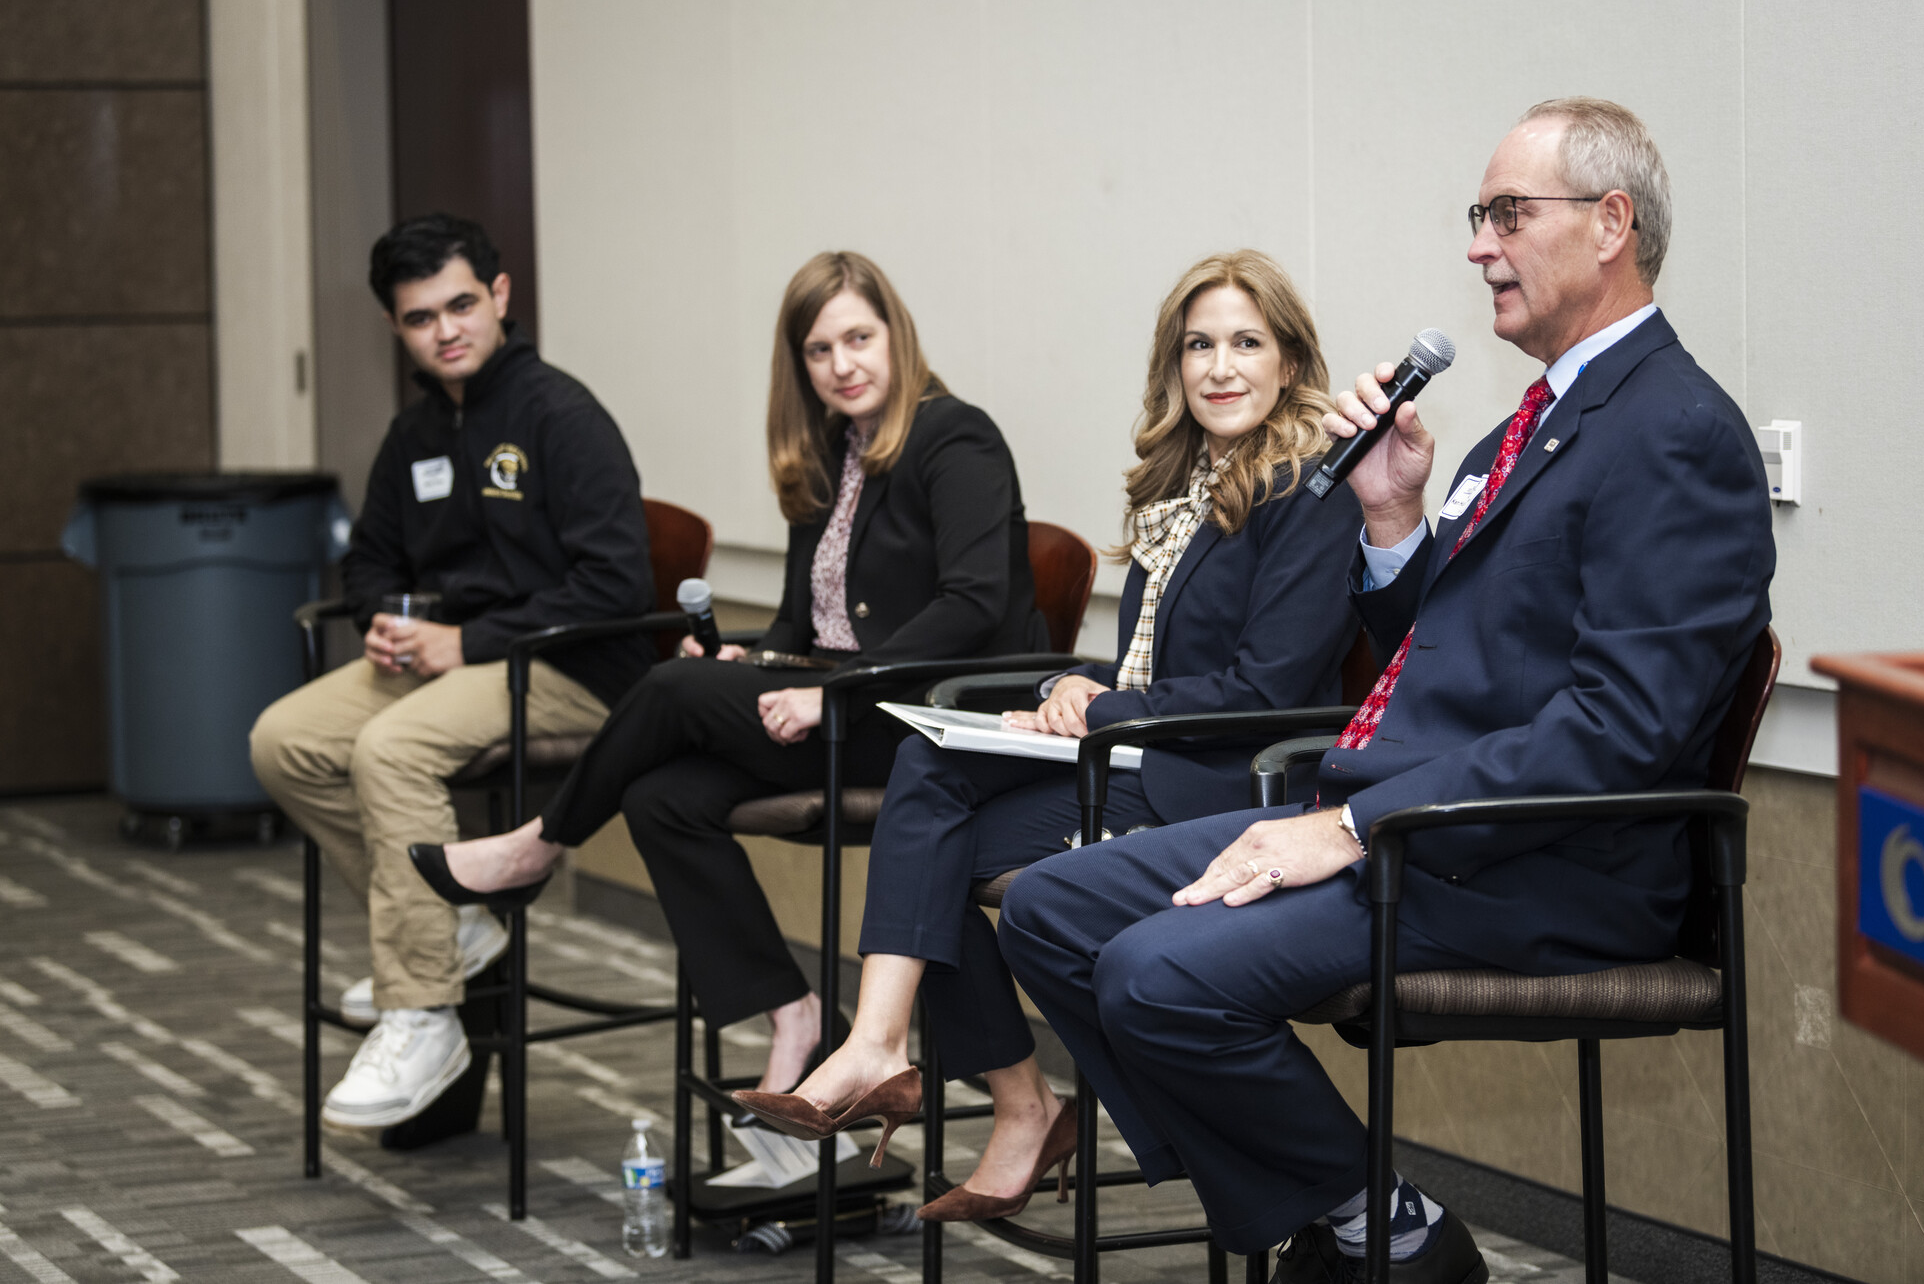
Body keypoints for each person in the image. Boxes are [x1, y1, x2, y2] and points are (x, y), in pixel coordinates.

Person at [997, 98, 1777, 1282]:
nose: (1477, 246)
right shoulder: (1524, 425)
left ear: (1610, 223)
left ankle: (1357, 1225)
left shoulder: (1676, 434)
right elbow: (1450, 658)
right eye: (1478, 216)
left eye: (1507, 214)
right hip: (1398, 819)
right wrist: (1393, 520)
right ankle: (1356, 1214)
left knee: (1153, 977)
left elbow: (1618, 730)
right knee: (1054, 910)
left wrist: (1349, 828)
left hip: (1529, 860)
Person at [733, 249, 1366, 1222]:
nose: (1219, 366)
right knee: (926, 807)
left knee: (926, 837)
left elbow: (1266, 688)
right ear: (1173, 363)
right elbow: (1161, 671)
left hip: (1231, 787)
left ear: (1290, 360)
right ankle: (991, 1090)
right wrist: (1069, 683)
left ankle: (916, 1063)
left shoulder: (1306, 488)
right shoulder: (1182, 483)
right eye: (1198, 345)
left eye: (1246, 342)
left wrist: (1101, 708)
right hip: (1151, 759)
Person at [410, 250, 1046, 1096]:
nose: (842, 365)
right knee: (661, 796)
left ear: (898, 335)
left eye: (859, 337)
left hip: (927, 725)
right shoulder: (831, 451)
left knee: (672, 689)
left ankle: (539, 843)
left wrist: (832, 692)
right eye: (819, 350)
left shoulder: (955, 436)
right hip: (839, 710)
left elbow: (971, 604)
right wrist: (757, 660)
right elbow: (799, 618)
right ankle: (791, 1009)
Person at [249, 213, 654, 1133]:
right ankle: (458, 926)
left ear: (500, 297)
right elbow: (371, 559)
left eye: (462, 304)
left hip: (571, 668)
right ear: (398, 329)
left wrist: (468, 643)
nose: (447, 330)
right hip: (452, 663)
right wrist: (388, 619)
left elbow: (614, 584)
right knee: (284, 740)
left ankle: (424, 1010)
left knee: (387, 748)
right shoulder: (416, 432)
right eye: (421, 317)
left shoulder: (562, 415)